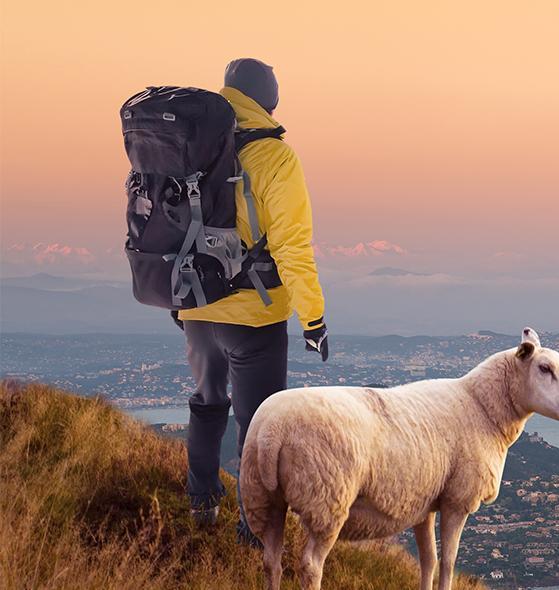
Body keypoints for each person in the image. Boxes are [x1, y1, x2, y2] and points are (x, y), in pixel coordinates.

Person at [173, 58, 328, 544]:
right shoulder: (276, 157)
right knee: (258, 424)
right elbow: (292, 246)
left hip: (196, 306)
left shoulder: (192, 144)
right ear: (269, 97)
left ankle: (200, 506)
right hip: (254, 316)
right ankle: (251, 531)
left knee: (207, 403)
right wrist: (314, 318)